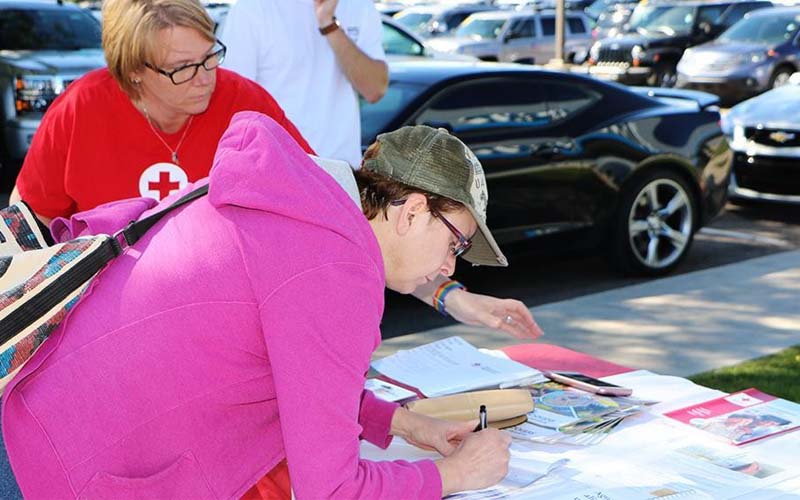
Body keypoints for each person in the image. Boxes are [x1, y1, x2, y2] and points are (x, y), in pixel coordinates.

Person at [1, 114, 514, 498]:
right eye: (456, 244)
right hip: (48, 465)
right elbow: (331, 490)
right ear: (414, 211)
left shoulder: (300, 209)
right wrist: (452, 475)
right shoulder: (334, 266)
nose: (450, 269)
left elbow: (289, 370)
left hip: (32, 417)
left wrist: (400, 423)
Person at [10, 0, 312, 224]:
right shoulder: (80, 108)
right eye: (182, 68)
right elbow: (31, 218)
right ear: (134, 71)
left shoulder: (245, 102)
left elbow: (314, 188)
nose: (205, 78)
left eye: (209, 56)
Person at [221, 0, 387, 167]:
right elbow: (235, 103)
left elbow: (375, 89)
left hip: (344, 172)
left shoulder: (359, 6)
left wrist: (329, 24)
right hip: (280, 172)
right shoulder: (252, 9)